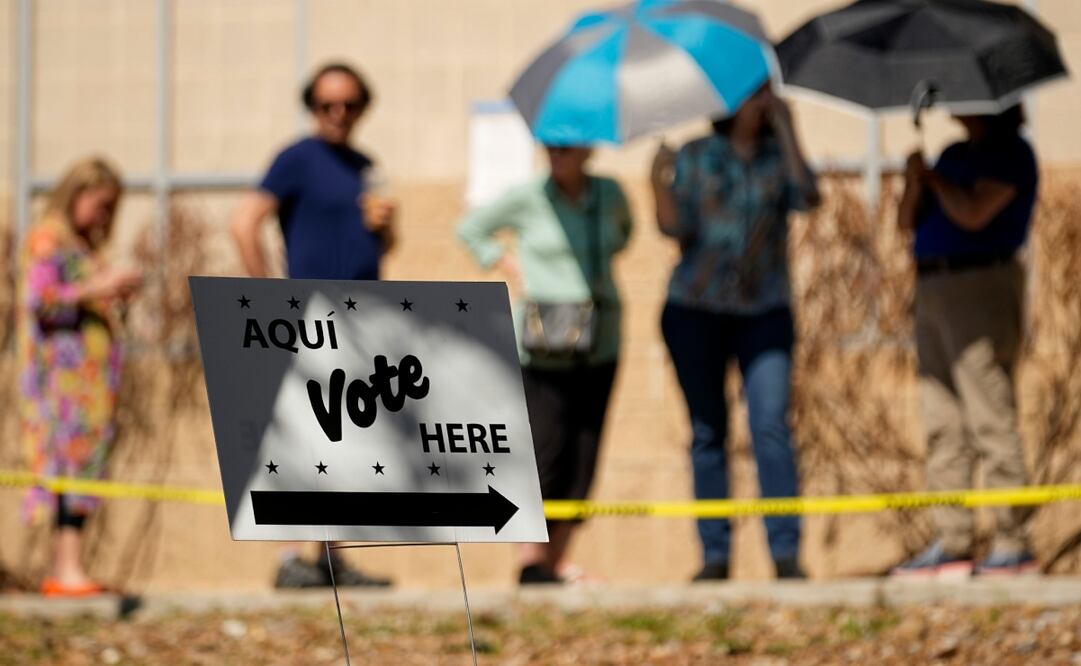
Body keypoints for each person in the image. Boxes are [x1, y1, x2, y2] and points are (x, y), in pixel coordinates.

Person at [230, 62, 396, 588]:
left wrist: (385, 231)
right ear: (312, 107)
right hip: (306, 318)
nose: (338, 114)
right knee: (297, 436)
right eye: (327, 105)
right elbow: (243, 223)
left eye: (348, 104)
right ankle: (287, 559)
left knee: (342, 436)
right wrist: (269, 298)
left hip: (360, 318)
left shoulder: (365, 165)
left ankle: (327, 557)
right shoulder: (297, 158)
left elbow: (380, 248)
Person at [651, 85, 819, 581]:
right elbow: (672, 228)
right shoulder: (697, 155)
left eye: (769, 94)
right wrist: (655, 181)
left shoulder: (776, 156)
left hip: (765, 312)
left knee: (770, 425)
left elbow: (808, 196)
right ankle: (715, 556)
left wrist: (789, 128)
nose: (764, 101)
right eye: (756, 94)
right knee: (708, 432)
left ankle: (786, 554)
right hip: (695, 311)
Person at [457, 145, 633, 584]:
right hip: (541, 343)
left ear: (587, 150)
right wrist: (510, 265)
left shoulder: (609, 194)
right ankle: (530, 562)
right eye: (550, 145)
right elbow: (471, 229)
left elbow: (624, 236)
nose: (558, 154)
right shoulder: (528, 195)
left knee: (585, 453)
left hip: (600, 339)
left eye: (568, 146)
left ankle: (557, 563)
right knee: (544, 448)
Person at [891, 106, 1038, 578]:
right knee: (941, 419)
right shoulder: (952, 154)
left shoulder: (1011, 154)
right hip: (933, 285)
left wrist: (933, 180)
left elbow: (973, 213)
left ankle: (1013, 541)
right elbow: (904, 222)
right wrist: (915, 178)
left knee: (988, 413)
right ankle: (952, 539)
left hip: (982, 283)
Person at [18, 156, 143, 597]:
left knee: (84, 471)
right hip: (62, 387)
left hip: (90, 388)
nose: (105, 216)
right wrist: (101, 287)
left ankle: (68, 568)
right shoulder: (49, 239)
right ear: (76, 193)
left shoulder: (85, 247)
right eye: (100, 204)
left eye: (112, 207)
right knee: (66, 471)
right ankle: (65, 568)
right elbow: (40, 299)